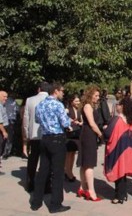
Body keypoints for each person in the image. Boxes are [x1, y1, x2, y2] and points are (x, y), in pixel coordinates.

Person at [30, 83, 71, 213]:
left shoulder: (40, 105)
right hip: (57, 139)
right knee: (57, 173)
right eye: (62, 91)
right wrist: (67, 115)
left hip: (45, 138)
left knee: (43, 170)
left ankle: (36, 202)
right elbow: (65, 122)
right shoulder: (58, 105)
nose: (63, 94)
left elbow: (37, 120)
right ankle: (55, 204)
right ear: (56, 91)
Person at [104, 97, 132, 204]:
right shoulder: (131, 120)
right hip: (128, 150)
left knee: (118, 172)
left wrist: (104, 128)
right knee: (123, 173)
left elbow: (108, 134)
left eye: (119, 104)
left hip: (117, 149)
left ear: (122, 107)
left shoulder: (117, 119)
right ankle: (123, 194)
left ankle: (119, 196)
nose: (117, 106)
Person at [77, 86, 103, 201]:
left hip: (87, 134)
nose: (97, 98)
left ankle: (82, 187)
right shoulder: (87, 106)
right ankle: (91, 191)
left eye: (98, 96)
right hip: (88, 135)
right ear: (90, 95)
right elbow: (92, 124)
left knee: (84, 163)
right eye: (96, 95)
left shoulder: (89, 106)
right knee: (89, 163)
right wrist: (100, 134)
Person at [23, 82, 50, 192]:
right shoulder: (52, 100)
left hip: (34, 134)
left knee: (33, 159)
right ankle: (46, 185)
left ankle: (31, 182)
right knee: (47, 160)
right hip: (48, 134)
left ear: (39, 89)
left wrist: (26, 135)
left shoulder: (30, 100)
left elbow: (26, 119)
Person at [64, 94, 82, 182]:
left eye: (78, 101)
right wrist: (69, 121)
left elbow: (80, 120)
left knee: (73, 153)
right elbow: (62, 116)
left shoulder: (78, 110)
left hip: (76, 133)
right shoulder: (68, 109)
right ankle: (67, 172)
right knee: (68, 154)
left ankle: (69, 171)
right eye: (76, 101)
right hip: (69, 133)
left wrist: (79, 123)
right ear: (72, 102)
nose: (78, 103)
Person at [2, 94, 19, 159]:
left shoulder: (5, 101)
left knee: (3, 136)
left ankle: (3, 151)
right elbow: (17, 110)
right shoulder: (14, 102)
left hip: (3, 120)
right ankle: (6, 153)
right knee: (9, 137)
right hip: (11, 121)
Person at [0, 91, 9, 172]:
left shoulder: (2, 105)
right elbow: (0, 122)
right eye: (4, 96)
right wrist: (4, 132)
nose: (6, 98)